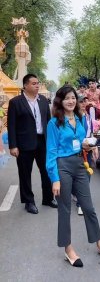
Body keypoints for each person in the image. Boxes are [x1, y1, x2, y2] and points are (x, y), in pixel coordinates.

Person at [46, 85, 100, 267]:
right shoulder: (54, 123)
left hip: (79, 164)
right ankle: (68, 249)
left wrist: (89, 147)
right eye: (67, 98)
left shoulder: (80, 118)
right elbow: (51, 153)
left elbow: (81, 142)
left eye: (73, 98)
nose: (71, 101)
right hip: (63, 166)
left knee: (88, 207)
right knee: (65, 209)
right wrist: (55, 179)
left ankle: (99, 243)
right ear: (60, 101)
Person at [7, 73, 56, 214]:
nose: (37, 86)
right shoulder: (16, 102)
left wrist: (51, 142)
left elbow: (48, 123)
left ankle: (48, 198)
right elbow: (12, 125)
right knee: (25, 173)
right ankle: (29, 201)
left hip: (42, 142)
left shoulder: (43, 101)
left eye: (38, 83)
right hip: (24, 144)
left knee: (47, 171)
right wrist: (13, 145)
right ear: (25, 86)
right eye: (34, 83)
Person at [76, 94, 99, 215]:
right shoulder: (74, 118)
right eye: (81, 102)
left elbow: (91, 134)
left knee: (86, 176)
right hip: (76, 151)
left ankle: (81, 202)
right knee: (80, 177)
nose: (84, 104)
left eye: (85, 102)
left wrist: (95, 147)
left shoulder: (88, 117)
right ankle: (80, 201)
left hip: (88, 150)